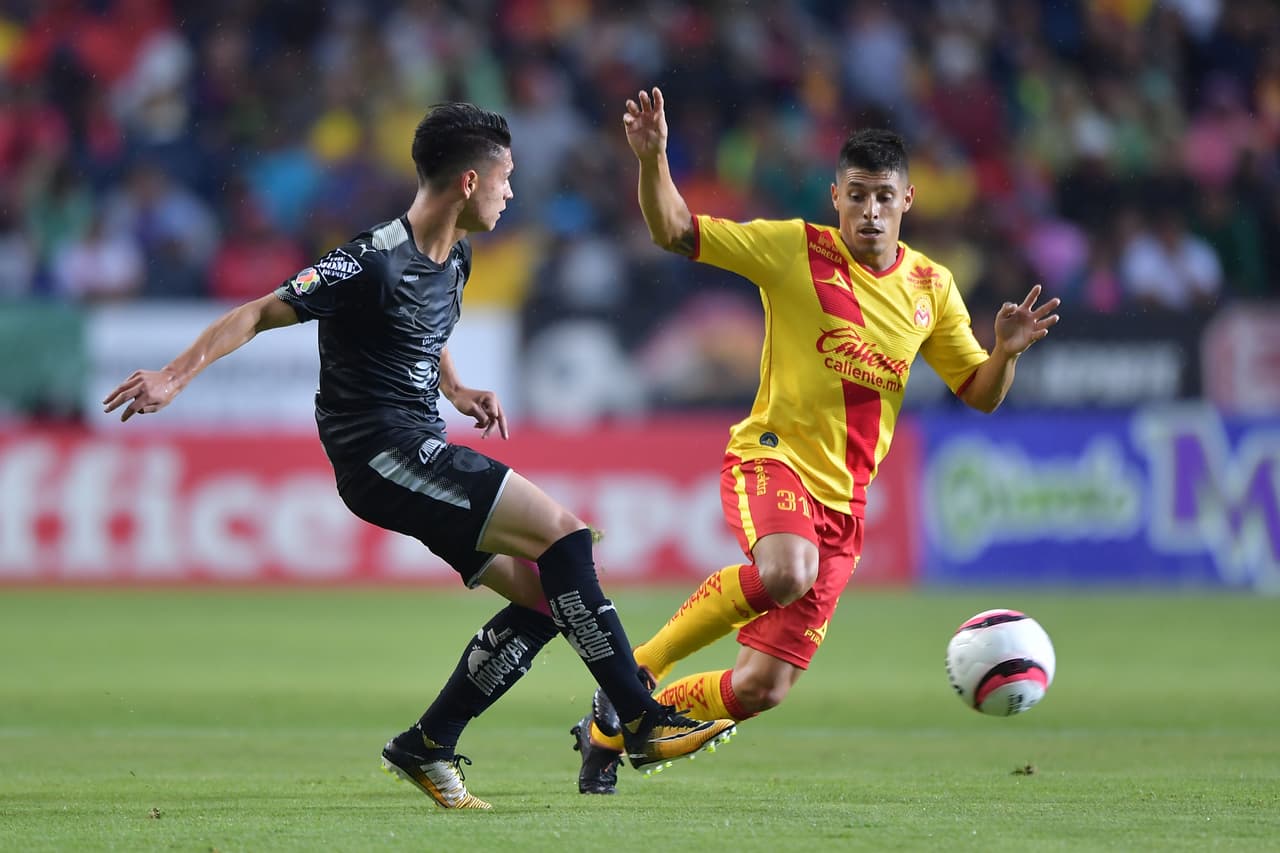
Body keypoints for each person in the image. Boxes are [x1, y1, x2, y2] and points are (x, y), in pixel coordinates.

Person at [101, 102, 735, 810]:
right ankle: (641, 720)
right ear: (469, 181)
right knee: (567, 535)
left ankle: (428, 743)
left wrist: (457, 386)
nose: (512, 192)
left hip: (419, 441)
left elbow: (422, 333)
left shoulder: (455, 255)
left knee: (550, 596)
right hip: (379, 452)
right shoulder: (368, 260)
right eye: (506, 178)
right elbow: (256, 311)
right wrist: (173, 376)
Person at [571, 88, 1060, 794]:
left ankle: (609, 732)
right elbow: (673, 230)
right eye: (856, 195)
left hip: (846, 504)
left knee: (763, 685)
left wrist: (1005, 352)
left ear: (908, 199)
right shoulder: (792, 249)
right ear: (835, 195)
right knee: (785, 570)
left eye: (883, 197)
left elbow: (977, 394)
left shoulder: (932, 286)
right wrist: (654, 161)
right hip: (771, 455)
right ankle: (630, 673)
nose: (869, 211)